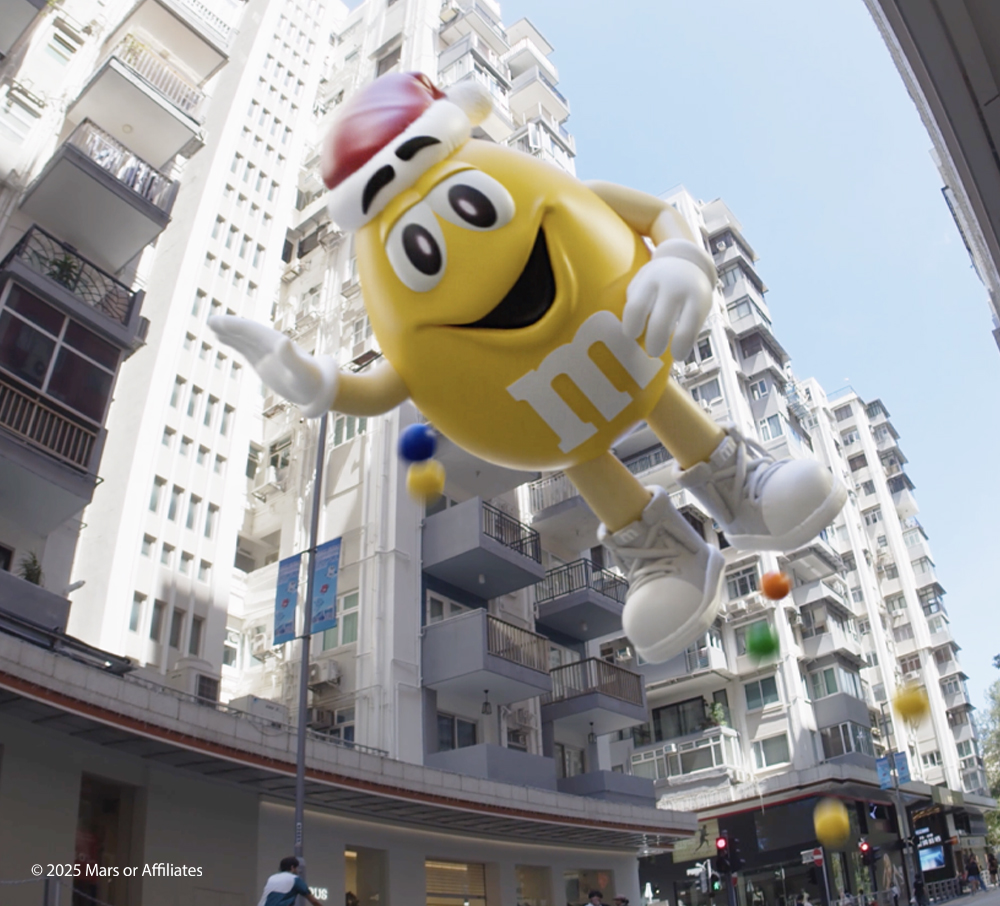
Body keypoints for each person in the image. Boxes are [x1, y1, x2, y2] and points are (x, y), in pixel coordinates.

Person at [257, 856, 324, 906]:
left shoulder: (271, 878)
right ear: (292, 867)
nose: (298, 871)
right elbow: (313, 901)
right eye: (297, 868)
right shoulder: (295, 879)